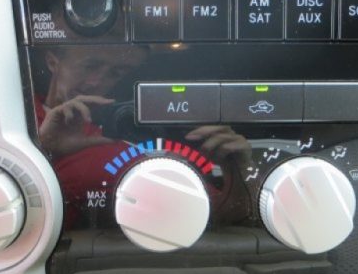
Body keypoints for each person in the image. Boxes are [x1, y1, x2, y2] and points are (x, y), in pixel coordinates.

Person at [34, 45, 252, 230]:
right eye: (90, 66)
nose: (96, 82)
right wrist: (45, 150)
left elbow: (224, 218)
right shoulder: (16, 117)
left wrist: (237, 171)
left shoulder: (121, 130)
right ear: (53, 61)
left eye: (115, 73)